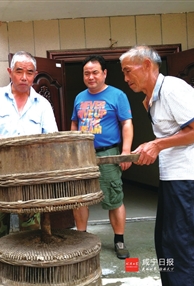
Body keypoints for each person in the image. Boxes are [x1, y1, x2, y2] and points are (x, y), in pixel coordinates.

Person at [119, 45, 194, 286]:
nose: (126, 78)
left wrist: (157, 145)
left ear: (148, 66)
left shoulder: (172, 89)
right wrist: (152, 146)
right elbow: (172, 134)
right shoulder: (154, 97)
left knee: (180, 249)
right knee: (166, 247)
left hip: (189, 178)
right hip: (175, 178)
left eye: (128, 71)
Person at [0, 51, 58, 286]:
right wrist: (1, 140)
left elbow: (51, 137)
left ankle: (30, 272)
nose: (24, 77)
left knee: (31, 223)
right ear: (10, 72)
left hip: (32, 170)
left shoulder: (42, 103)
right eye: (19, 71)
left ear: (35, 75)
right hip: (1, 166)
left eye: (29, 72)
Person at [71, 54, 134, 260]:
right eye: (86, 73)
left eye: (95, 72)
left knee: (114, 198)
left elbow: (126, 123)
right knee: (80, 198)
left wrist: (125, 153)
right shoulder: (79, 98)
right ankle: (81, 237)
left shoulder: (117, 96)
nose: (91, 77)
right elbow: (74, 123)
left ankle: (119, 239)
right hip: (83, 155)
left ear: (104, 73)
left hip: (108, 154)